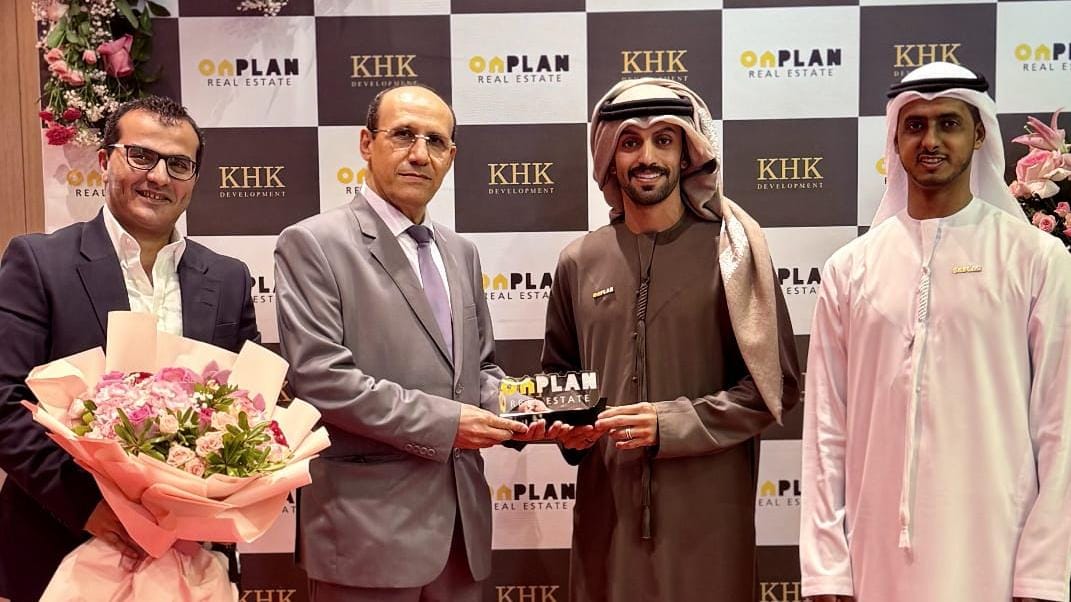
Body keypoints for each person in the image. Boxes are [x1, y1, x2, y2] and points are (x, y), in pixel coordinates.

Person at [800, 62, 1071, 602]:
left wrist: (1043, 571)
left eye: (948, 123)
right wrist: (826, 568)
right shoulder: (850, 269)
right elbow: (826, 425)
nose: (930, 141)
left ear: (979, 134)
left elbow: (1059, 423)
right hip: (875, 554)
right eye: (915, 125)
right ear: (895, 139)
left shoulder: (1035, 258)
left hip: (998, 551)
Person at [275, 84, 545, 602]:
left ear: (451, 156)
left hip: (461, 535)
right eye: (403, 135)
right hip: (363, 532)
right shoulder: (313, 243)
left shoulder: (461, 252)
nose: (420, 154)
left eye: (435, 141)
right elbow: (320, 379)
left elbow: (481, 371)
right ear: (366, 143)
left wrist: (525, 410)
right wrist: (449, 424)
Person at [541, 77, 801, 602]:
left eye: (663, 140)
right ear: (609, 157)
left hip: (709, 519)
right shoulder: (579, 261)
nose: (647, 157)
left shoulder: (733, 254)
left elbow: (774, 387)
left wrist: (672, 423)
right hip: (607, 518)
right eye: (630, 142)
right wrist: (564, 426)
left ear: (687, 153)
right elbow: (560, 381)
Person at [0, 95, 260, 602]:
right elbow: (5, 402)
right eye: (140, 156)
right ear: (105, 160)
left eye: (178, 164)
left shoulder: (228, 278)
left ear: (194, 179)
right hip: (63, 544)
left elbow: (249, 410)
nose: (158, 177)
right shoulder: (39, 262)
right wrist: (89, 507)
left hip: (190, 555)